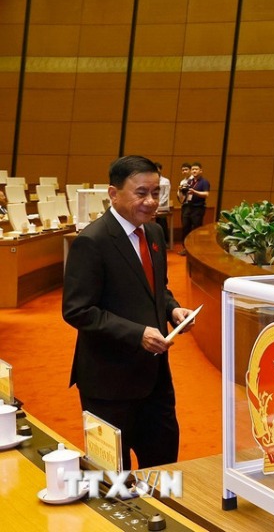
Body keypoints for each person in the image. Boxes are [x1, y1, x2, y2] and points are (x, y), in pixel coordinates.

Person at [63, 155, 194, 469]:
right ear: (113, 193)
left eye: (155, 192)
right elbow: (77, 310)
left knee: (163, 468)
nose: (151, 201)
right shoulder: (92, 241)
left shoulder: (154, 233)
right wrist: (137, 334)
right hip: (109, 382)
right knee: (113, 478)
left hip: (155, 377)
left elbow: (157, 289)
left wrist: (173, 310)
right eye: (141, 193)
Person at [179, 162, 209, 255]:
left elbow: (206, 194)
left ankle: (195, 249)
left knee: (196, 229)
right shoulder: (189, 182)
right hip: (187, 207)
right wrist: (181, 190)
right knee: (185, 228)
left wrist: (194, 191)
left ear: (201, 171)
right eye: (192, 169)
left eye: (196, 169)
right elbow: (184, 194)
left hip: (198, 208)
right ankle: (185, 248)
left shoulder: (204, 182)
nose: (194, 171)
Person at [154, 162, 171, 248]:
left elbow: (166, 195)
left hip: (162, 206)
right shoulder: (152, 180)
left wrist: (159, 204)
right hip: (153, 205)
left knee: (162, 223)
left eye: (158, 169)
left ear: (160, 170)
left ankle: (165, 242)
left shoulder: (165, 181)